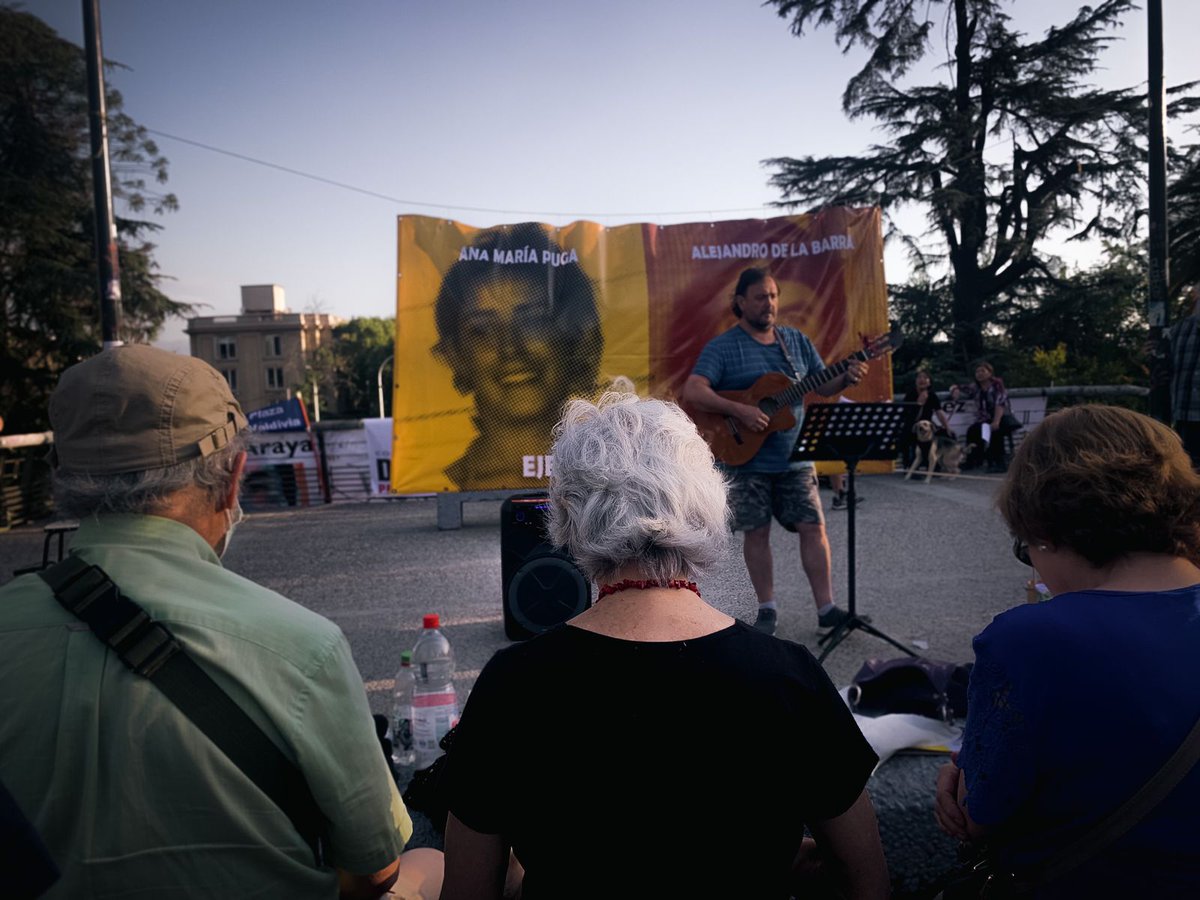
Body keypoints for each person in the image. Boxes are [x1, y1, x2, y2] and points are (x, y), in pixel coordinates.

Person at [0, 345, 443, 900]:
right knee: (429, 861)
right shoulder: (304, 646)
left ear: (63, 482)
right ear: (233, 478)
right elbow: (376, 870)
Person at [439, 393, 889, 900]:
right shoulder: (788, 674)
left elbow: (467, 890)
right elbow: (866, 882)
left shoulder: (513, 683)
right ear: (706, 504)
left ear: (565, 515)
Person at [934, 405, 1200, 897]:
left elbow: (979, 817)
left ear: (1047, 527)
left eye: (1024, 545)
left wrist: (959, 776)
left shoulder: (1030, 638)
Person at [681, 267, 869, 635]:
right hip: (745, 458)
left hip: (795, 458)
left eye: (773, 296)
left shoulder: (795, 341)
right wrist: (741, 410)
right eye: (760, 297)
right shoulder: (723, 347)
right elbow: (694, 390)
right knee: (757, 532)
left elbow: (823, 382)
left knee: (814, 526)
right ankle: (767, 609)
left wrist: (846, 376)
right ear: (740, 302)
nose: (769, 303)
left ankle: (827, 609)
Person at [432, 222, 604, 490]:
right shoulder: (443, 481)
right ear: (456, 356)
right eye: (481, 330)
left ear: (577, 338)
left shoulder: (609, 477)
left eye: (533, 321)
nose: (510, 348)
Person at [949, 360, 1014, 473]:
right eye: (977, 372)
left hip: (1000, 417)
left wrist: (996, 421)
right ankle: (973, 460)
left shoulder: (997, 385)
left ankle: (999, 463)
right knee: (972, 431)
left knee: (995, 432)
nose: (979, 374)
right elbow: (960, 387)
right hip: (985, 419)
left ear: (990, 373)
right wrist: (954, 389)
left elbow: (1001, 403)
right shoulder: (976, 387)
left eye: (983, 371)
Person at [1167, 285, 1200, 468]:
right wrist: (1153, 354)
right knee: (1187, 471)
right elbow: (1165, 370)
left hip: (1185, 415)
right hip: (1184, 416)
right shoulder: (1179, 330)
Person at [899, 369, 954, 468]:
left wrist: (947, 427)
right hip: (912, 424)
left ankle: (938, 464)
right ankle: (911, 466)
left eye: (925, 377)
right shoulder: (910, 394)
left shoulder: (931, 395)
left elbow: (939, 412)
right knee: (908, 435)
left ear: (929, 382)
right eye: (919, 377)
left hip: (927, 424)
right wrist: (919, 404)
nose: (922, 380)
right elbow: (908, 415)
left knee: (946, 434)